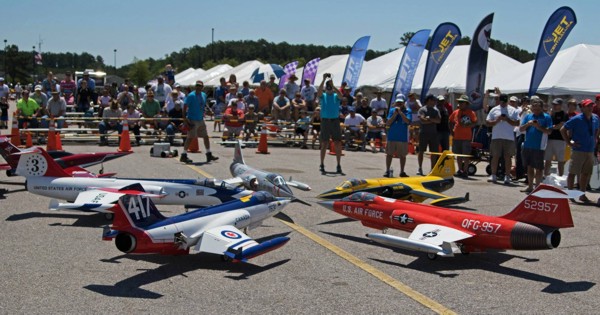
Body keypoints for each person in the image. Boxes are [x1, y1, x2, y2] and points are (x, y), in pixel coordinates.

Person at [561, 99, 599, 203]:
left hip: (590, 150)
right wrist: (569, 143)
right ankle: (570, 194)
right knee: (573, 172)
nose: (590, 108)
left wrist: (595, 140)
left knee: (586, 173)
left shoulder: (595, 118)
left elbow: (597, 130)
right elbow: (563, 129)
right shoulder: (577, 119)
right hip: (578, 150)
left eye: (591, 106)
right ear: (582, 108)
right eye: (587, 106)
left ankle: (582, 194)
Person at [519, 98, 552, 193]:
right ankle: (530, 186)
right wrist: (528, 125)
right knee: (529, 167)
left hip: (539, 146)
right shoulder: (528, 116)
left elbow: (549, 131)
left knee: (539, 168)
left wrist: (538, 127)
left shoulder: (546, 117)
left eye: (538, 107)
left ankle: (537, 187)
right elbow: (521, 129)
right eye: (534, 107)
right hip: (528, 145)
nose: (536, 109)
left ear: (542, 108)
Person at [180, 80, 218, 164]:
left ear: (202, 87)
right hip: (192, 119)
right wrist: (185, 120)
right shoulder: (191, 95)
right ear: (195, 86)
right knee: (190, 137)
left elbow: (203, 106)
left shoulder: (204, 95)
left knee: (205, 136)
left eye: (200, 86)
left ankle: (208, 153)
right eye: (197, 85)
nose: (198, 87)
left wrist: (208, 111)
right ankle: (184, 154)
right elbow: (184, 107)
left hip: (200, 119)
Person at [486, 93, 519, 184]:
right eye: (501, 101)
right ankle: (493, 174)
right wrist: (497, 120)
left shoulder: (513, 110)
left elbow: (517, 123)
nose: (503, 103)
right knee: (495, 156)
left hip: (509, 137)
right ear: (499, 100)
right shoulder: (494, 109)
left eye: (505, 101)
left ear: (507, 101)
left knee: (508, 157)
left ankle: (507, 176)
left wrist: (507, 119)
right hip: (496, 136)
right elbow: (488, 122)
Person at [317, 73, 344, 174]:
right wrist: (323, 80)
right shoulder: (323, 96)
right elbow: (319, 92)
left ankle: (338, 164)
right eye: (327, 87)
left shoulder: (336, 95)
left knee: (337, 142)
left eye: (330, 86)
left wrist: (333, 86)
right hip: (325, 121)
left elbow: (341, 96)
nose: (329, 88)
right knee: (324, 143)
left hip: (335, 121)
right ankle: (322, 163)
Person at [448, 95, 477, 177]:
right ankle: (460, 170)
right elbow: (450, 121)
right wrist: (451, 132)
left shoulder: (471, 113)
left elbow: (475, 122)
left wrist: (468, 125)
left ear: (466, 104)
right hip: (456, 137)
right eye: (459, 102)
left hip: (466, 138)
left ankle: (465, 171)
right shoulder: (456, 112)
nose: (459, 104)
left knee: (466, 155)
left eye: (462, 102)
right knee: (458, 155)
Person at [384, 96, 411, 177]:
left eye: (401, 102)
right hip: (392, 136)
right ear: (395, 103)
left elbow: (408, 121)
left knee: (402, 156)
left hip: (402, 138)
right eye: (397, 102)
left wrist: (401, 113)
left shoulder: (407, 111)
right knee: (389, 154)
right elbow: (388, 123)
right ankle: (387, 170)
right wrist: (395, 114)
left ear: (403, 103)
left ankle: (402, 171)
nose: (399, 104)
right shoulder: (392, 111)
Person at [416, 94, 441, 175]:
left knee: (433, 152)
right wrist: (432, 120)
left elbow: (439, 121)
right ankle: (420, 168)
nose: (435, 102)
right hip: (423, 133)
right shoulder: (422, 109)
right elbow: (422, 120)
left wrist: (429, 119)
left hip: (433, 133)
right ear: (429, 100)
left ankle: (432, 169)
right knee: (421, 151)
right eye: (434, 100)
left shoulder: (436, 111)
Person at [544, 98, 569, 177]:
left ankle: (560, 176)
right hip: (550, 138)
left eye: (556, 104)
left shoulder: (564, 114)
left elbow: (561, 125)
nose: (554, 106)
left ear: (560, 105)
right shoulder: (551, 114)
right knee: (548, 159)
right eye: (553, 104)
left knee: (560, 160)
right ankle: (545, 175)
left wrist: (551, 127)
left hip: (560, 140)